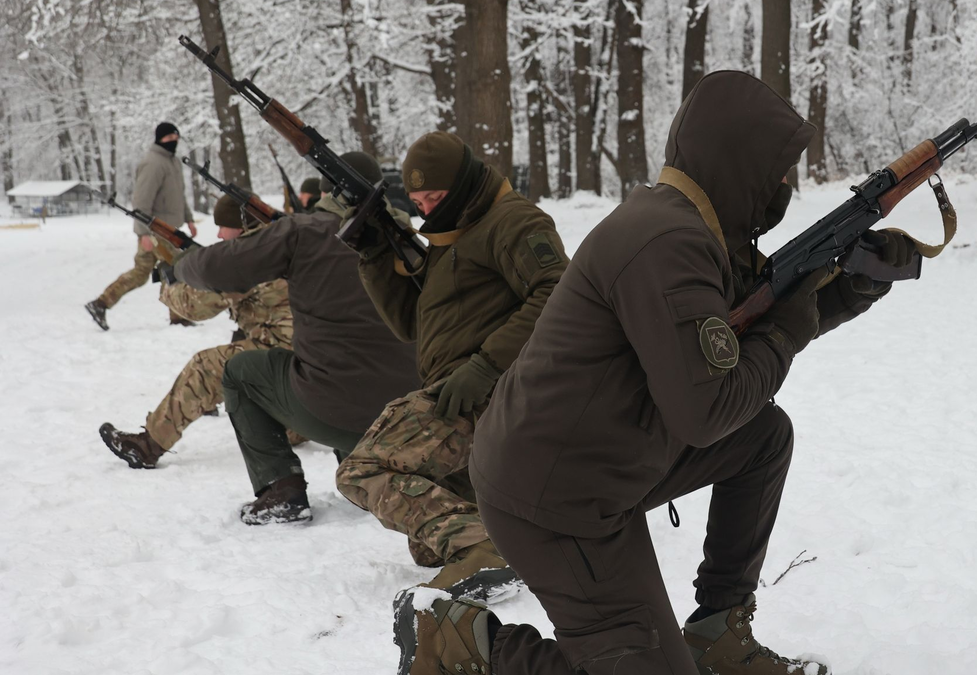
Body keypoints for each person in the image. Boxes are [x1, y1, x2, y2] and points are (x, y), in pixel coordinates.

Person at [395, 71, 920, 675]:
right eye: (776, 170)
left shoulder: (695, 230)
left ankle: (718, 633)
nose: (783, 185)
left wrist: (855, 287)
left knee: (762, 437)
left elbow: (740, 339)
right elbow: (706, 411)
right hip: (551, 494)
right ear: (736, 160)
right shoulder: (668, 244)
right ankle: (460, 642)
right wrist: (789, 328)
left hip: (605, 455)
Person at [334, 132, 567, 599]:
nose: (425, 209)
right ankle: (499, 544)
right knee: (429, 547)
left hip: (491, 392)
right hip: (461, 388)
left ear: (462, 184)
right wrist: (375, 253)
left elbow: (559, 293)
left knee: (359, 471)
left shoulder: (512, 220)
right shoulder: (452, 230)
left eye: (435, 197)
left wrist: (485, 366)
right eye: (417, 200)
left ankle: (483, 548)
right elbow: (408, 322)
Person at [170, 152, 422, 525]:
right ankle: (360, 465)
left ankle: (281, 490)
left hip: (336, 412)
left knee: (241, 372)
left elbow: (214, 268)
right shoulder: (411, 241)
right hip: (409, 419)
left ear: (326, 191)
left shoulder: (306, 233)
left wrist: (179, 265)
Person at [97, 193, 296, 469]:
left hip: (291, 359)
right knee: (243, 343)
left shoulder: (247, 260)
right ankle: (293, 427)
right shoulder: (283, 243)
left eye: (223, 226)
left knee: (206, 367)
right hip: (315, 356)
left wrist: (170, 279)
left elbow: (193, 307)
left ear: (240, 227)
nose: (218, 233)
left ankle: (148, 446)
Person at [86, 122, 196, 330]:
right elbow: (141, 202)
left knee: (142, 273)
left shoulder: (173, 162)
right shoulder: (153, 163)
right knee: (174, 270)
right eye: (169, 138)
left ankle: (100, 304)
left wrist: (189, 219)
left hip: (170, 229)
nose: (173, 141)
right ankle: (179, 317)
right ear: (159, 138)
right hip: (156, 231)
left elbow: (178, 196)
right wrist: (143, 232)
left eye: (176, 137)